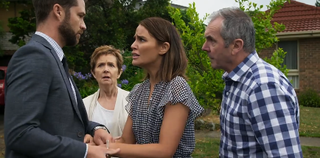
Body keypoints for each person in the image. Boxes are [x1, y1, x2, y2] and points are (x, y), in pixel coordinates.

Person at [4, 0, 119, 157]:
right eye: (80, 16)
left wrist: (93, 129)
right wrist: (85, 151)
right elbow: (20, 133)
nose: (84, 25)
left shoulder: (54, 58)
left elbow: (57, 121)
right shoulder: (35, 56)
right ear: (58, 11)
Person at [202, 7, 302, 157]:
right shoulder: (236, 80)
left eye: (212, 41)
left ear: (236, 46)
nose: (204, 47)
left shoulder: (263, 87)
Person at [107, 17, 204, 158]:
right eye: (135, 39)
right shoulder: (139, 90)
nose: (133, 45)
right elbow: (126, 141)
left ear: (163, 47)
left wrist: (107, 148)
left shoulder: (176, 87)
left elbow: (164, 151)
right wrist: (96, 143)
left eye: (142, 40)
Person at [83, 45, 129, 137]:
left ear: (119, 72)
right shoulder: (84, 105)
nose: (106, 70)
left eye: (111, 65)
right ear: (93, 73)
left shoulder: (132, 101)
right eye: (101, 65)